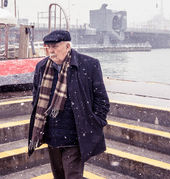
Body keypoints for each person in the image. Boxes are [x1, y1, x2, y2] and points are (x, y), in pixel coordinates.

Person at [28, 30, 110, 179]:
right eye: (48, 47)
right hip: (52, 134)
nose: (51, 51)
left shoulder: (89, 65)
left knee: (72, 176)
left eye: (55, 46)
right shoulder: (41, 67)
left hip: (75, 135)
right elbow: (36, 97)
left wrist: (96, 122)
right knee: (59, 176)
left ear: (67, 46)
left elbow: (102, 100)